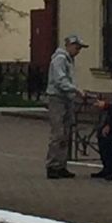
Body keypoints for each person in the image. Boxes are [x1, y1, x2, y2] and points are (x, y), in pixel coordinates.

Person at [45, 34, 90, 179]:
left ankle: (61, 165)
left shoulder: (69, 60)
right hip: (57, 98)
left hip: (66, 99)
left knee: (66, 133)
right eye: (77, 48)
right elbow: (60, 80)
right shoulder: (60, 59)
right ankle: (53, 165)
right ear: (69, 45)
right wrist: (75, 90)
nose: (78, 51)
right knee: (58, 133)